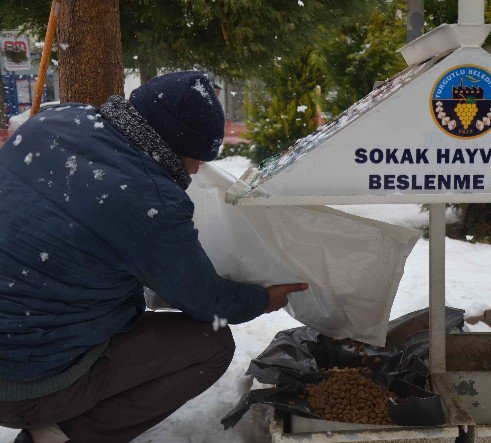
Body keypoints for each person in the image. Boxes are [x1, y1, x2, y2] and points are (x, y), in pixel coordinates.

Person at [0, 71, 307, 443]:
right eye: (197, 158)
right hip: (25, 384)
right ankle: (62, 435)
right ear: (176, 145)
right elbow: (207, 302)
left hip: (17, 340)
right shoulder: (148, 200)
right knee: (211, 345)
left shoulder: (52, 121)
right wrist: (263, 298)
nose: (196, 171)